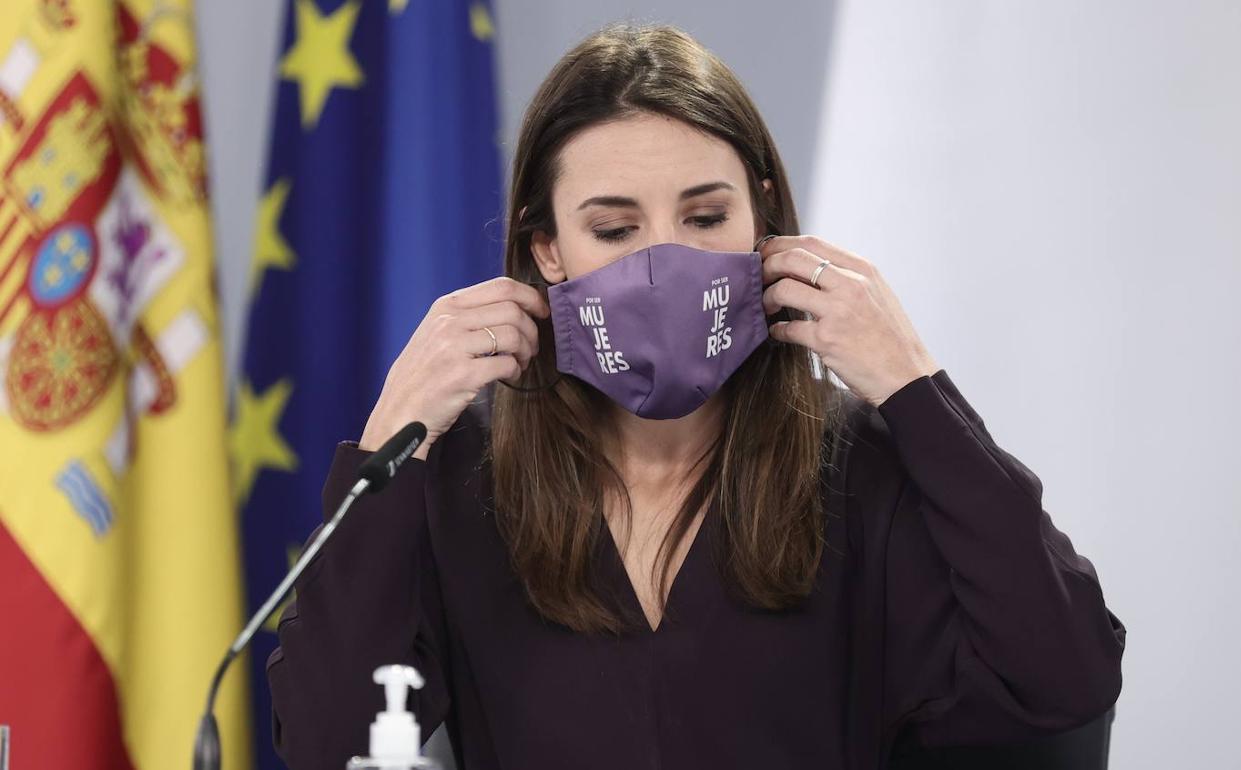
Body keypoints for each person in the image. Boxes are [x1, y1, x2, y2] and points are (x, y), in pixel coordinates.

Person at [265, 22, 1125, 770]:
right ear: (549, 250)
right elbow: (323, 740)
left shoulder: (859, 468)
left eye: (706, 218)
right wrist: (395, 434)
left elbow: (1067, 677)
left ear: (762, 221)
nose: (663, 263)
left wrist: (912, 387)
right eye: (614, 229)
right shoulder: (463, 478)